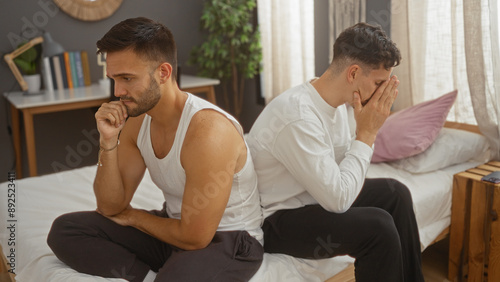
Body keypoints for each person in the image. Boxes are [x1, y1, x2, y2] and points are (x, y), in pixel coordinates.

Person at [47, 17, 264, 282]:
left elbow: (195, 238)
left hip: (227, 239)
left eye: (127, 78)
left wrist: (134, 217)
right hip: (174, 228)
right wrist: (108, 141)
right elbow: (109, 206)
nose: (118, 91)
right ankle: (149, 277)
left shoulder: (208, 131)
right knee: (66, 230)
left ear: (163, 72)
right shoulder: (137, 121)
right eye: (114, 79)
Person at [246, 22, 424, 282]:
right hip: (278, 219)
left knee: (396, 194)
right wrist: (367, 134)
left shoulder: (340, 105)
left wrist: (364, 132)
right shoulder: (297, 115)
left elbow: (342, 177)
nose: (384, 93)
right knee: (378, 228)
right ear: (353, 73)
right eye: (378, 83)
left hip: (312, 200)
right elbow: (338, 200)